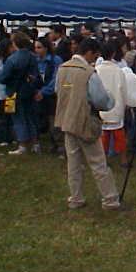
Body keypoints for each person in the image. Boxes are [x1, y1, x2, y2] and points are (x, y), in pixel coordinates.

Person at [55, 37, 120, 210]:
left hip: (66, 120)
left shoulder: (62, 68)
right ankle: (110, 199)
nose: (95, 59)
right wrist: (111, 99)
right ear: (89, 52)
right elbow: (101, 100)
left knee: (73, 163)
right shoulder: (88, 73)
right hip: (84, 121)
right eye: (94, 55)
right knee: (98, 162)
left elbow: (57, 91)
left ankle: (76, 198)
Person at [0, 32, 40, 155]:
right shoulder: (32, 57)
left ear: (14, 43)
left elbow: (2, 77)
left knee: (18, 119)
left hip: (13, 92)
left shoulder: (12, 59)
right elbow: (36, 76)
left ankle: (22, 145)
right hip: (29, 91)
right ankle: (35, 143)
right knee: (30, 118)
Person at [96, 40, 129, 167]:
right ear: (114, 53)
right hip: (116, 107)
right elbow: (124, 90)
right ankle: (123, 159)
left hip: (101, 108)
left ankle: (102, 159)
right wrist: (125, 104)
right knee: (119, 134)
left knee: (103, 135)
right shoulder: (118, 71)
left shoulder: (97, 70)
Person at [34, 37, 63, 153]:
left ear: (46, 48)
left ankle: (58, 145)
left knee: (54, 122)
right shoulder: (34, 61)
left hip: (51, 95)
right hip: (37, 94)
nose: (36, 50)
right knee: (36, 120)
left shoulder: (55, 60)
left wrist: (44, 91)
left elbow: (56, 79)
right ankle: (36, 144)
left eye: (39, 47)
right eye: (35, 47)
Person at [0, 38, 15, 146]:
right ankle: (1, 137)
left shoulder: (8, 59)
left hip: (9, 91)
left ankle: (9, 136)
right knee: (3, 115)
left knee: (9, 114)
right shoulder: (1, 61)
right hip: (2, 91)